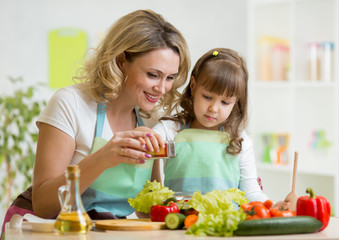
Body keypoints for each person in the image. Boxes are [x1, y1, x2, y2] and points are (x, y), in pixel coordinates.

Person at [1, 9, 190, 237]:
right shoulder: (70, 104)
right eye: (153, 74)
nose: (162, 88)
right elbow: (44, 204)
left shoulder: (150, 119)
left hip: (96, 232)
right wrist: (104, 157)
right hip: (44, 229)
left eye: (170, 78)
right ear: (121, 61)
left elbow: (145, 210)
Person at [144, 48, 295, 208]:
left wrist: (272, 206)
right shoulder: (170, 129)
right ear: (193, 86)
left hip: (224, 226)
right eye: (207, 97)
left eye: (225, 102)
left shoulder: (239, 140)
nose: (213, 108)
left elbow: (251, 192)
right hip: (178, 224)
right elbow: (147, 142)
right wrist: (145, 137)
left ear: (236, 102)